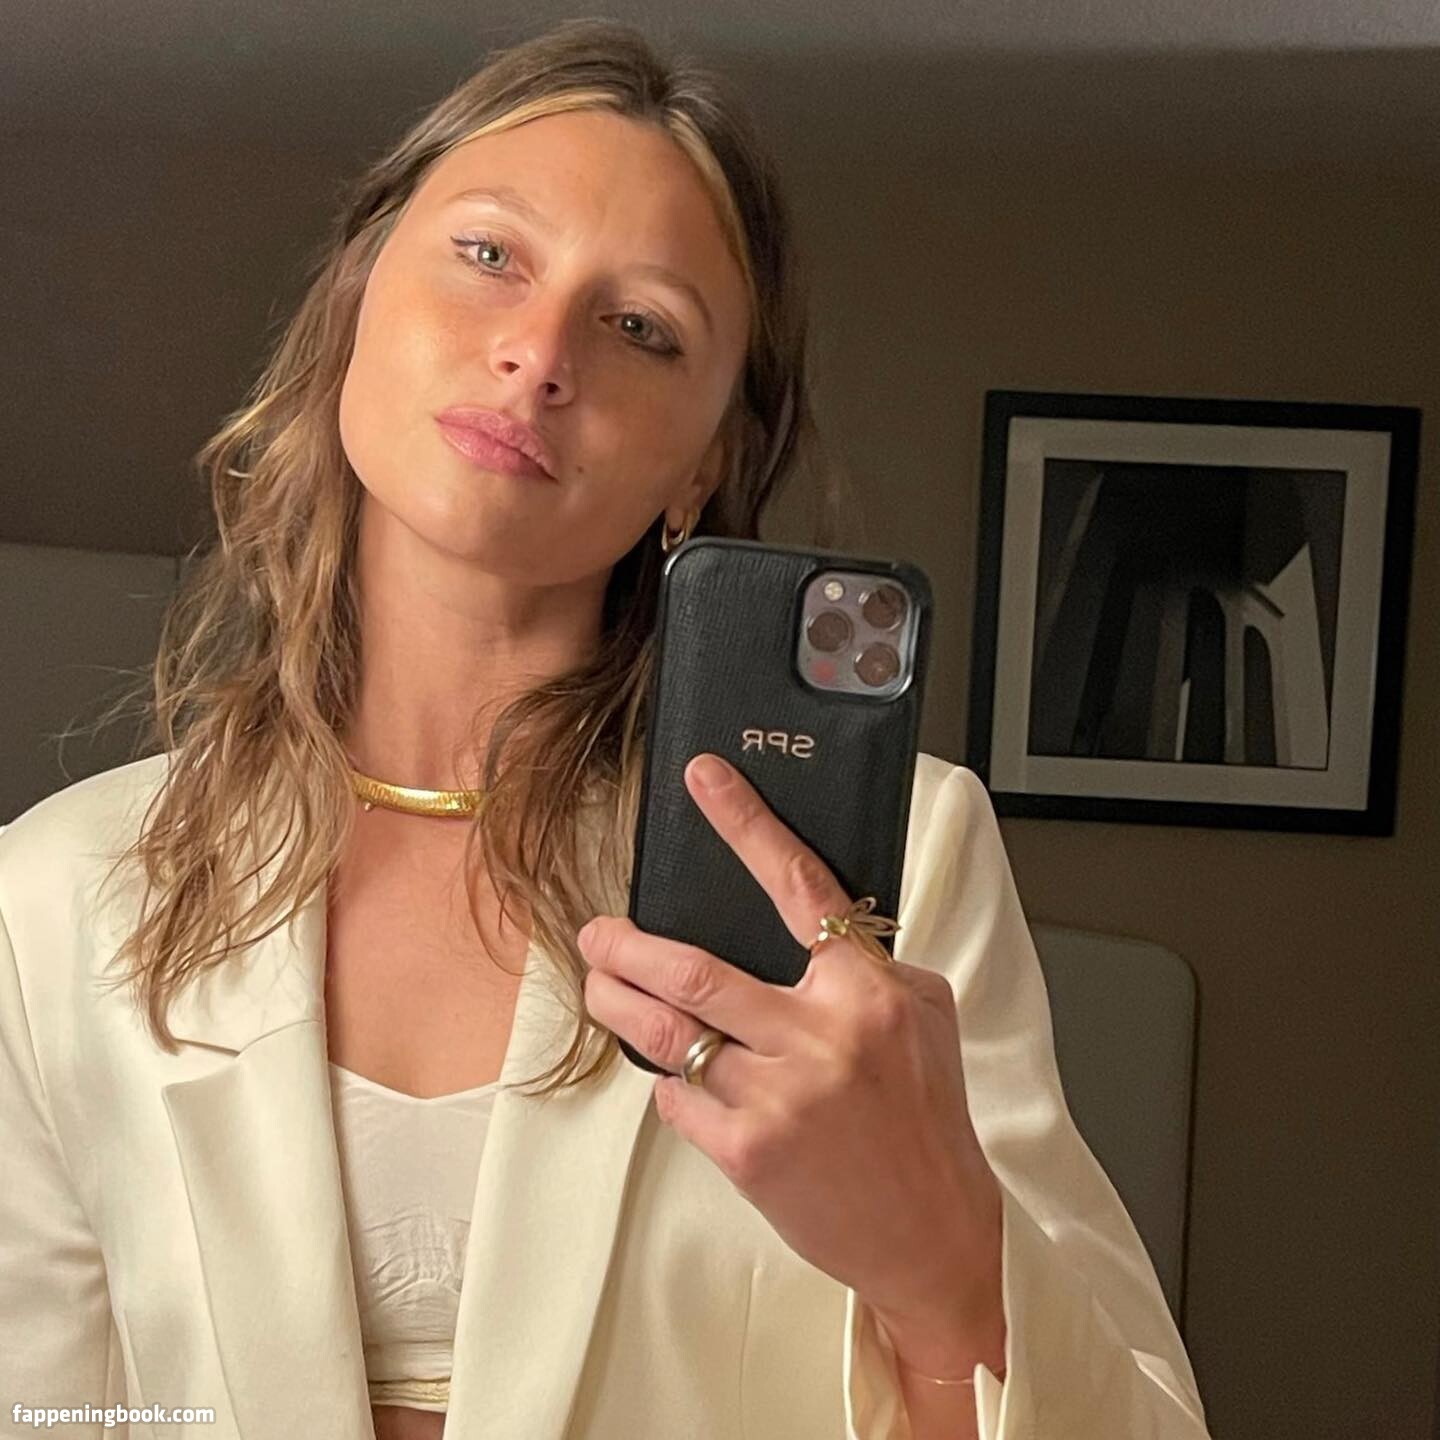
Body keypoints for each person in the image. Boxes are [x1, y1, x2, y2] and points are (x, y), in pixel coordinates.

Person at [0, 19, 1213, 1440]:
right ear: (354, 300)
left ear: (704, 465)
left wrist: (943, 1275)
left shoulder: (893, 867)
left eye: (640, 327)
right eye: (489, 254)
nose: (538, 354)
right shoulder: (56, 899)